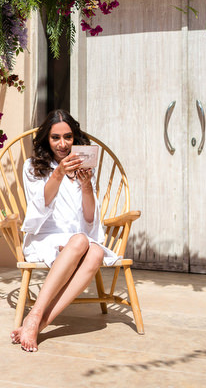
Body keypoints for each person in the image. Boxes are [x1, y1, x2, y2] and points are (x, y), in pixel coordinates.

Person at [10, 109, 121, 352]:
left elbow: (90, 219)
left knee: (95, 252)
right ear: (46, 140)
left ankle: (36, 322)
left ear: (75, 138)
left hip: (75, 238)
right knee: (81, 241)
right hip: (45, 235)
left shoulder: (83, 168)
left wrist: (86, 186)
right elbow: (40, 208)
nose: (62, 144)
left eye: (68, 137)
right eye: (55, 138)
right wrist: (59, 172)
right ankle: (37, 314)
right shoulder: (33, 167)